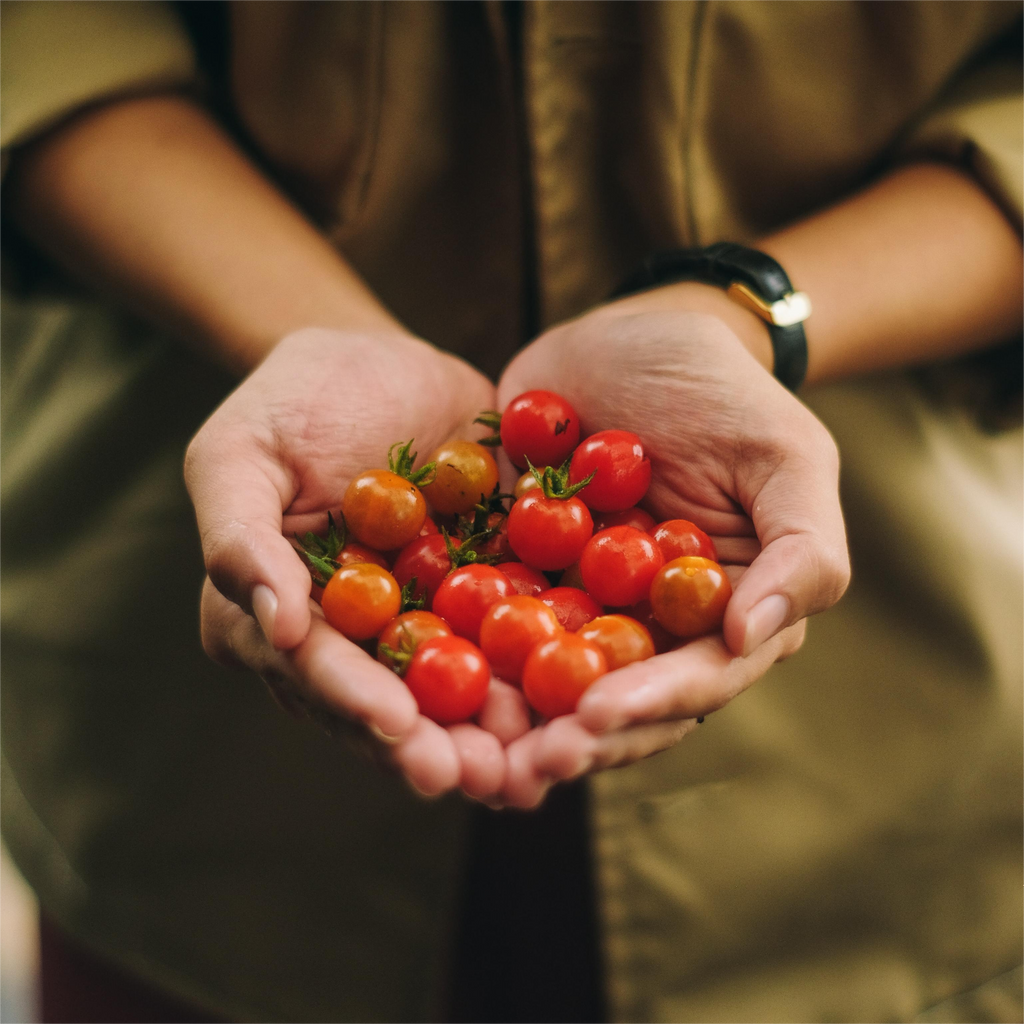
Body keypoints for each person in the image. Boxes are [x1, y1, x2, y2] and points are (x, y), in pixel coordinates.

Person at [1, 2, 1023, 1022]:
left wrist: (740, 317)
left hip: (885, 763)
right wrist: (306, 332)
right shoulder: (455, 539)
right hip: (196, 781)